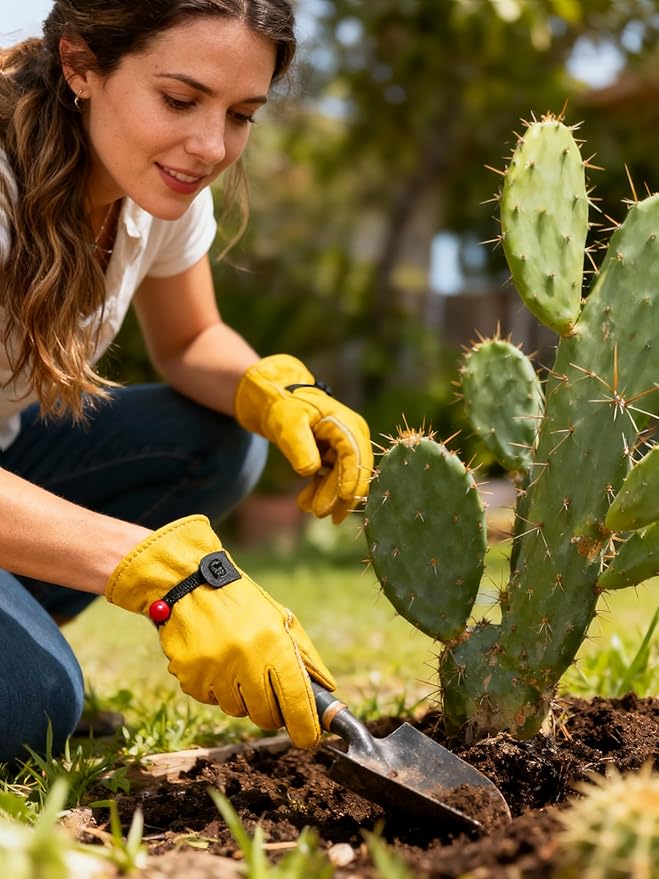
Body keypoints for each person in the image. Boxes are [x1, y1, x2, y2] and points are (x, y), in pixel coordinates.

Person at [0, 0, 373, 763]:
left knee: (219, 436)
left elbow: (191, 339)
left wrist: (277, 389)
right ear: (79, 65)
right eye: (179, 99)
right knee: (34, 702)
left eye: (241, 114)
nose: (209, 146)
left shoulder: (152, 183)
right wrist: (164, 572)